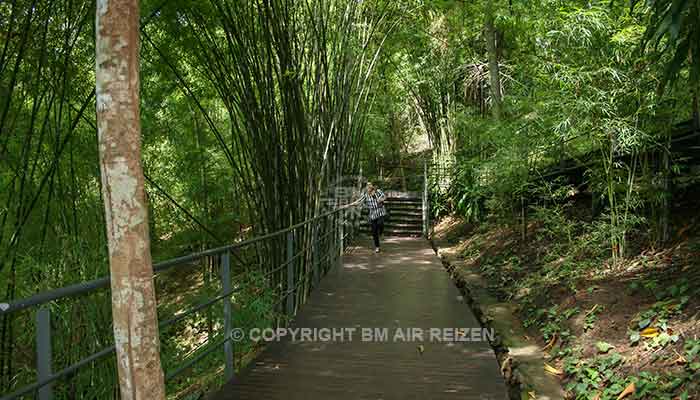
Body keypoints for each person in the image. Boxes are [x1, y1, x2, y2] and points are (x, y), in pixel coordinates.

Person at [355, 182, 386, 253]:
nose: (368, 188)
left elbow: (384, 197)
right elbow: (359, 201)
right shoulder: (365, 195)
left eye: (370, 187)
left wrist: (380, 200)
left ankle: (381, 232)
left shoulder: (378, 191)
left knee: (380, 224)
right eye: (367, 187)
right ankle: (377, 247)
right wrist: (349, 205)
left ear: (372, 188)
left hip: (380, 212)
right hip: (372, 215)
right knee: (374, 232)